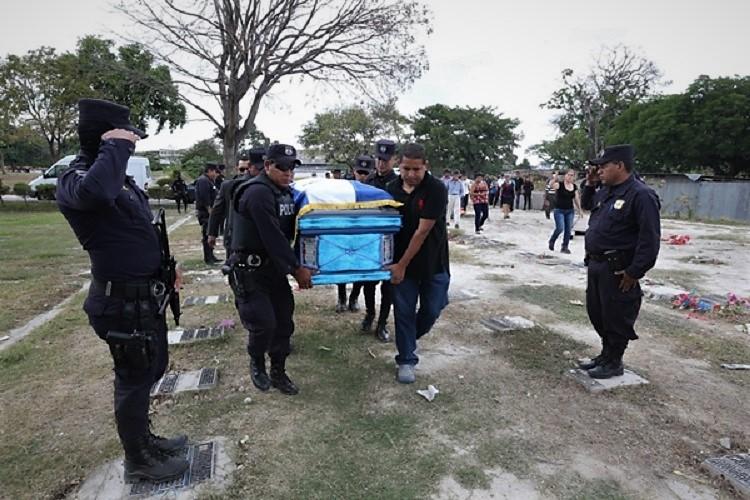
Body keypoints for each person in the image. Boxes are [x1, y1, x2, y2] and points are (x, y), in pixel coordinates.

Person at [56, 99, 188, 481]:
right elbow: (95, 195)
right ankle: (138, 461)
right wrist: (115, 146)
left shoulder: (120, 180)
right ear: (108, 138)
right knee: (134, 378)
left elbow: (138, 231)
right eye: (128, 137)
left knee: (152, 367)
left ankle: (144, 441)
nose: (134, 143)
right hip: (119, 302)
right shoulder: (75, 179)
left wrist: (166, 267)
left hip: (144, 297)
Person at [228, 143, 313, 395]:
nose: (288, 173)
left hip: (274, 270)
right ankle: (257, 362)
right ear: (267, 166)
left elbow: (295, 232)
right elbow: (273, 237)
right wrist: (297, 269)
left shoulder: (286, 193)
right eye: (282, 167)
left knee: (284, 323)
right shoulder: (257, 192)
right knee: (263, 323)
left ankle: (278, 371)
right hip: (250, 271)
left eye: (292, 168)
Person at [579, 145, 660, 379]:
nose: (600, 170)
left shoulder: (641, 195)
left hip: (618, 269)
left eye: (604, 166)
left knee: (616, 316)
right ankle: (605, 355)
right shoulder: (606, 191)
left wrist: (635, 272)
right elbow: (586, 205)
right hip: (596, 264)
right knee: (598, 313)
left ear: (620, 166)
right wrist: (591, 183)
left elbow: (649, 239)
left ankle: (614, 361)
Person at [386, 143, 450, 384]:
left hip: (433, 262)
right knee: (403, 311)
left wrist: (401, 265)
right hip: (401, 266)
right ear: (399, 166)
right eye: (406, 169)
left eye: (416, 169)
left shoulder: (436, 189)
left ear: (426, 167)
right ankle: (406, 359)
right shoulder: (391, 189)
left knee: (432, 310)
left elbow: (422, 232)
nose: (411, 174)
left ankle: (408, 339)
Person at [360, 139, 399, 342]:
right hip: (371, 240)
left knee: (388, 285)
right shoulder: (369, 182)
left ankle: (382, 322)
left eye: (385, 160)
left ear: (394, 160)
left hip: (391, 241)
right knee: (368, 281)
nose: (381, 163)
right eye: (379, 159)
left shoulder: (398, 183)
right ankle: (370, 314)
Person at [207, 149, 265, 262]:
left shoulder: (268, 185)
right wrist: (212, 233)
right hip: (235, 237)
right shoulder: (229, 186)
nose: (244, 171)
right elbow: (217, 211)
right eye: (242, 169)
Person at [347, 155, 377, 314]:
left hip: (369, 236)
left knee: (365, 273)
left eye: (366, 173)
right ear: (354, 171)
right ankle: (344, 297)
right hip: (350, 234)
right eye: (360, 172)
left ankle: (357, 299)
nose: (362, 176)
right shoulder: (345, 188)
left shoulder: (376, 189)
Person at [548, 169, 582, 254]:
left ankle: (565, 247)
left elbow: (576, 199)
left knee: (568, 230)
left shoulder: (574, 187)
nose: (570, 177)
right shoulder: (560, 185)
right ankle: (552, 240)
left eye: (572, 175)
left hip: (570, 210)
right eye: (569, 175)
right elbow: (551, 185)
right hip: (559, 210)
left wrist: (580, 210)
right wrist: (555, 178)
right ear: (565, 175)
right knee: (560, 228)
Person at [195, 164, 220, 264]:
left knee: (211, 233)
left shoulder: (209, 180)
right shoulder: (203, 181)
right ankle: (208, 258)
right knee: (207, 235)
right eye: (214, 171)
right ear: (209, 170)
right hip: (205, 213)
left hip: (210, 212)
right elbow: (205, 197)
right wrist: (210, 211)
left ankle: (211, 255)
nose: (215, 174)